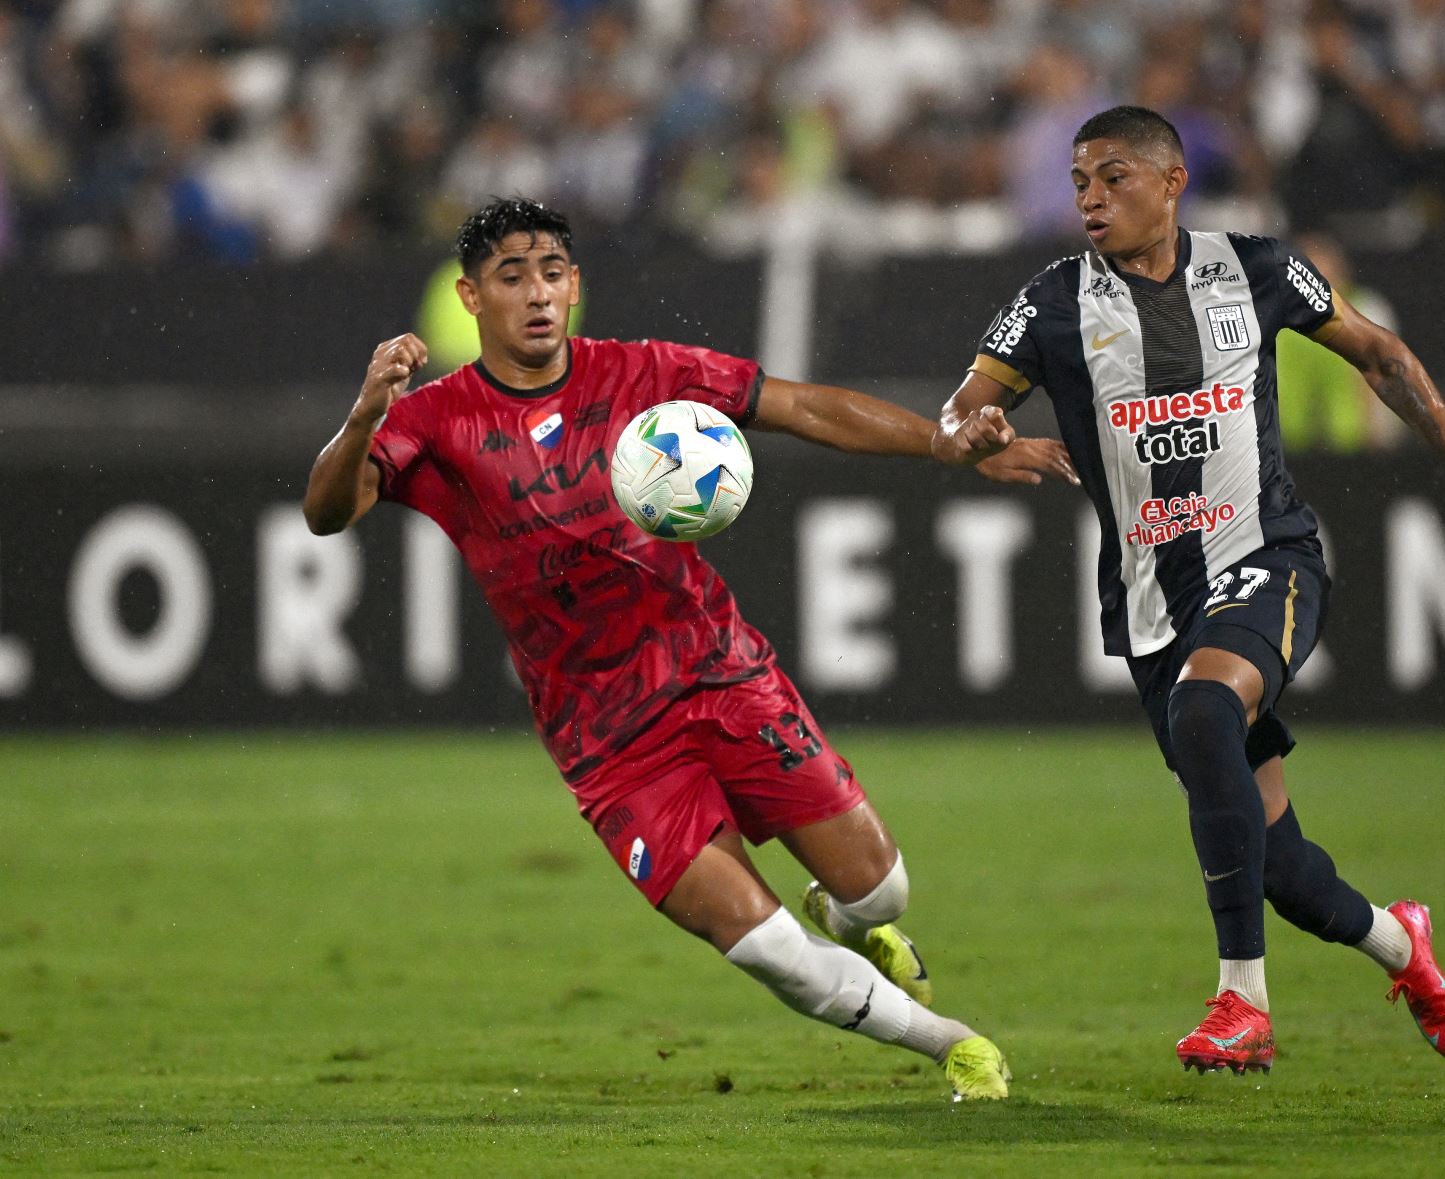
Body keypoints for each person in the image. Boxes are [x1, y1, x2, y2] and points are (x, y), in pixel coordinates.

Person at [303, 197, 1077, 1101]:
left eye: (552, 272)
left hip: (723, 676)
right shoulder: (435, 421)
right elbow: (327, 512)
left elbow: (797, 406)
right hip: (611, 747)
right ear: (473, 298)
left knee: (882, 894)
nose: (538, 294)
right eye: (512, 278)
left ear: (576, 285)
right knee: (774, 952)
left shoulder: (644, 374)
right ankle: (955, 1044)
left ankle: (847, 911)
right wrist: (363, 413)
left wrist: (942, 444)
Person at [934, 106, 1445, 1076]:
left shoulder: (1255, 268)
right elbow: (966, 403)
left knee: (1207, 702)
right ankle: (1402, 944)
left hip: (1267, 555)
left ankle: (1241, 1002)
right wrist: (976, 440)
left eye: (1114, 178)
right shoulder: (1053, 302)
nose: (1091, 199)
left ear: (1173, 181)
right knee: (1285, 870)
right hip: (1151, 599)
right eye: (1080, 181)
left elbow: (1380, 352)